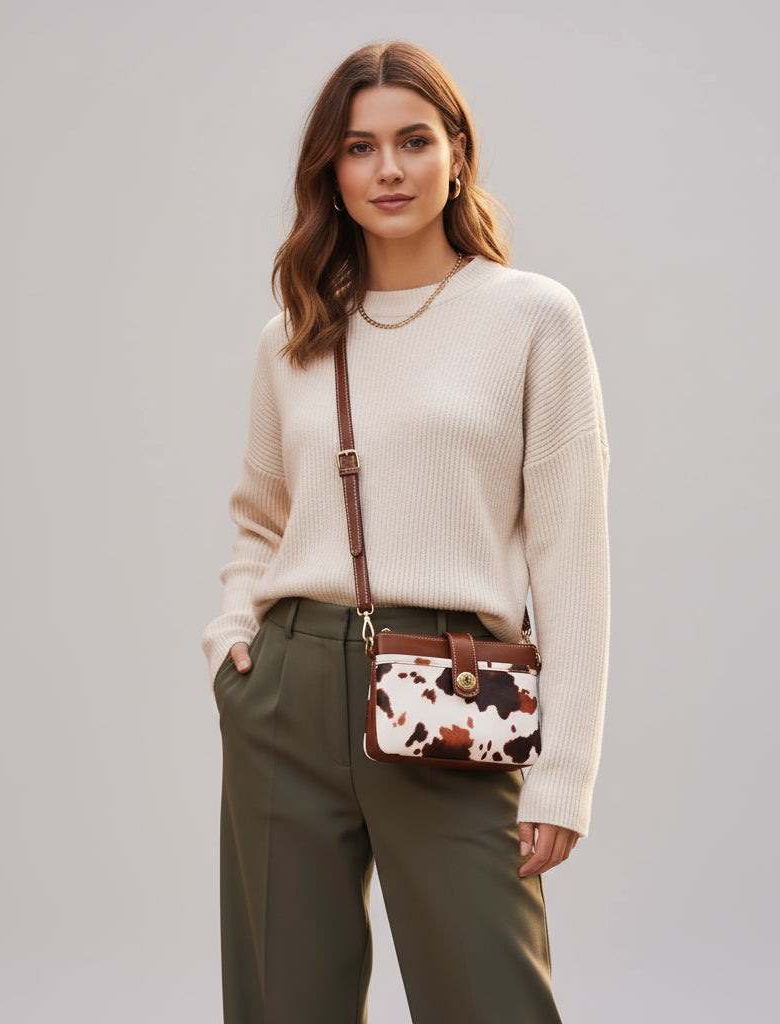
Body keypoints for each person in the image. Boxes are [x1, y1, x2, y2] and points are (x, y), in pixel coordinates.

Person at [200, 39, 611, 1024]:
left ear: (456, 155)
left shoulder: (532, 318)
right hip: (288, 689)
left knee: (491, 998)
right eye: (359, 147)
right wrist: (231, 638)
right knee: (282, 1002)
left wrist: (564, 772)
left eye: (414, 141)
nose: (388, 169)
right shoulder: (294, 333)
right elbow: (259, 516)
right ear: (329, 174)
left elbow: (571, 552)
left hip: (455, 690)